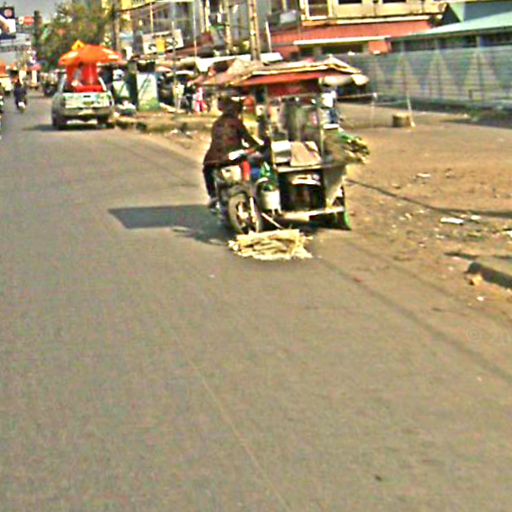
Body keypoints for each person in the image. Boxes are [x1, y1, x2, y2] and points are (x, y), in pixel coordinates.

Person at [203, 96, 261, 205]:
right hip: (231, 157)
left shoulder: (217, 123)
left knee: (207, 171)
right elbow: (248, 138)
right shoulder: (236, 123)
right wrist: (257, 146)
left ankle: (212, 194)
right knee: (246, 163)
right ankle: (246, 184)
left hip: (212, 159)